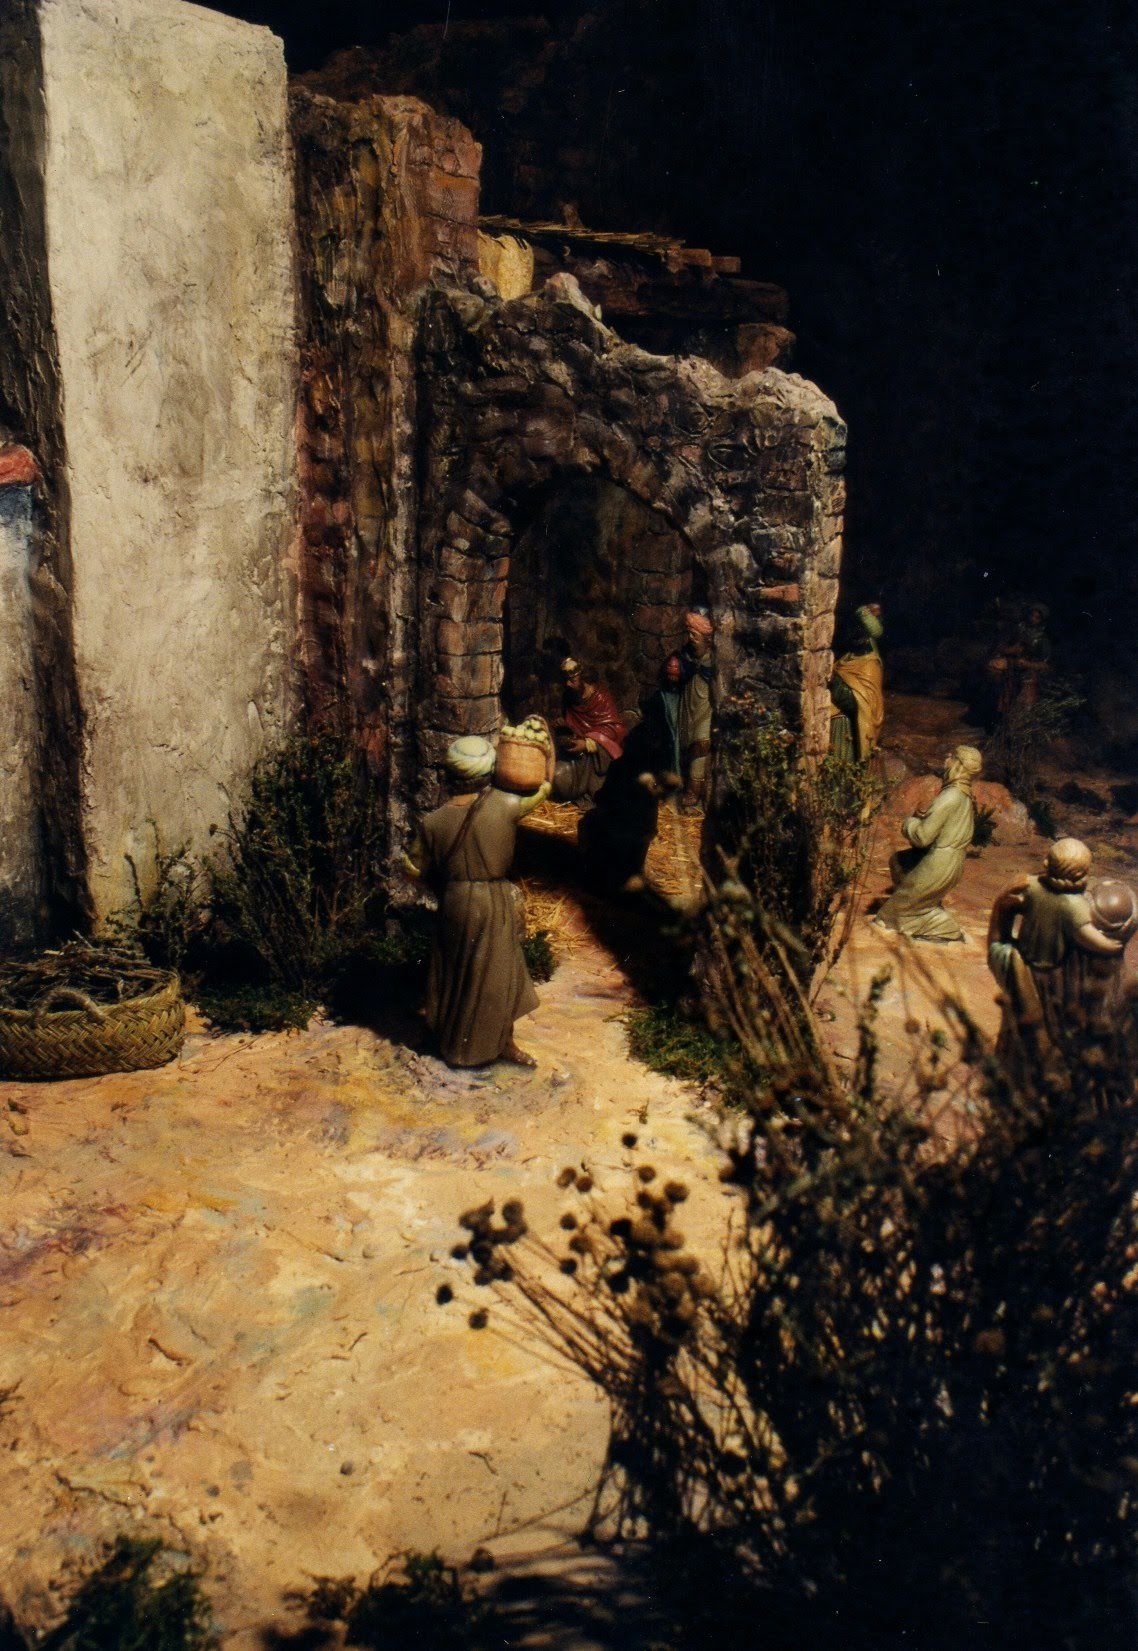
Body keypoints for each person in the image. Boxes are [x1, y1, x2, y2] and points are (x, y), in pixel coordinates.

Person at [405, 735, 550, 1068]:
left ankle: (451, 1042)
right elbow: (543, 788)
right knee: (500, 973)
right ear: (487, 773)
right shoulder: (505, 804)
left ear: (449, 774)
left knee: (456, 971)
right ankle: (502, 1043)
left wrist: (441, 884)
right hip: (493, 899)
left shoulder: (433, 821)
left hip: (455, 901)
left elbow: (411, 869)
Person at [987, 841, 1133, 1088]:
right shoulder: (1128, 993)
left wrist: (1001, 909)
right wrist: (1111, 946)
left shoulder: (1020, 973)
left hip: (1018, 1095)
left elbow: (996, 947)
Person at [875, 745, 983, 941]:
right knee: (900, 862)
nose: (946, 760)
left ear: (958, 765)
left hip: (939, 863)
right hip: (946, 859)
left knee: (888, 918)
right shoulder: (963, 795)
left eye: (951, 757)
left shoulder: (950, 796)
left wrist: (909, 823)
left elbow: (922, 837)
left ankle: (944, 927)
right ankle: (920, 903)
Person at [551, 656, 627, 805]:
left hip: (599, 759)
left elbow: (615, 730)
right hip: (576, 758)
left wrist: (588, 744)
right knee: (557, 776)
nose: (567, 684)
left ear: (584, 678)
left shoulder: (601, 698)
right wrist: (564, 726)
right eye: (565, 680)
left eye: (572, 680)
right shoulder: (569, 696)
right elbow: (573, 724)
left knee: (604, 792)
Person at [830, 603, 884, 763]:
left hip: (850, 729)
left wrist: (834, 683)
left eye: (860, 633)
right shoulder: (848, 657)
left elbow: (858, 702)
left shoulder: (870, 666)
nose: (854, 636)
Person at [678, 607, 714, 811]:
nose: (690, 638)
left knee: (700, 747)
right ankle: (686, 789)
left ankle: (693, 793)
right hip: (689, 707)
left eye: (695, 635)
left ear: (706, 638)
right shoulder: (688, 657)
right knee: (687, 747)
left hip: (705, 710)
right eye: (689, 634)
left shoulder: (711, 660)